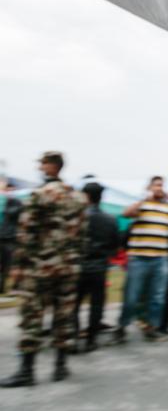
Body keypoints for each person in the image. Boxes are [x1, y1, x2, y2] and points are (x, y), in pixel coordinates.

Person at [0, 151, 87, 387]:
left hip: (41, 266)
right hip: (68, 267)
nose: (40, 167)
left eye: (42, 163)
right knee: (63, 316)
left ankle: (26, 371)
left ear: (52, 166)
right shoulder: (77, 197)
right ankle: (60, 367)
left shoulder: (39, 195)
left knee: (32, 317)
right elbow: (81, 235)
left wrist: (17, 266)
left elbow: (26, 232)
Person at [112, 176, 168, 344]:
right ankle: (121, 327)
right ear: (149, 187)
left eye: (161, 185)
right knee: (132, 297)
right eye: (156, 185)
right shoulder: (143, 205)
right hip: (139, 258)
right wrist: (144, 198)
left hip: (161, 259)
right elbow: (125, 213)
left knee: (157, 297)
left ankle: (152, 328)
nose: (159, 188)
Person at [74, 182, 119, 352]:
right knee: (96, 304)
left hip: (80, 266)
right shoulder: (110, 219)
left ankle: (74, 336)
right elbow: (115, 245)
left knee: (74, 305)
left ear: (86, 196)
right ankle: (91, 339)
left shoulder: (78, 218)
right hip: (100, 267)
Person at [0, 182, 22, 293]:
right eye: (7, 190)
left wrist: (6, 204)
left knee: (6, 264)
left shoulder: (16, 202)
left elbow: (12, 213)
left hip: (9, 238)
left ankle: (2, 288)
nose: (9, 192)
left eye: (11, 190)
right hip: (2, 235)